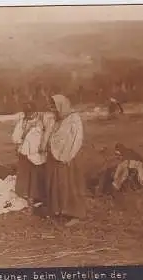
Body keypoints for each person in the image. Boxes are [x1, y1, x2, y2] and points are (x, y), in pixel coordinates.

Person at [44, 94, 86, 227]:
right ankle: (59, 210)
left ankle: (76, 214)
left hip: (69, 158)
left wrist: (68, 156)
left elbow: (76, 139)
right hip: (56, 157)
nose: (53, 109)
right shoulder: (57, 119)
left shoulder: (74, 119)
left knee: (71, 184)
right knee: (58, 184)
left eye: (54, 106)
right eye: (51, 106)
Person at [11, 101, 47, 210]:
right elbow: (15, 137)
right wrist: (22, 138)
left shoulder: (42, 121)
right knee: (25, 176)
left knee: (37, 175)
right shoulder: (22, 122)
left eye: (31, 112)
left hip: (38, 154)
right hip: (25, 153)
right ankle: (26, 196)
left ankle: (38, 196)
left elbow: (46, 136)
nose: (29, 114)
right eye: (27, 112)